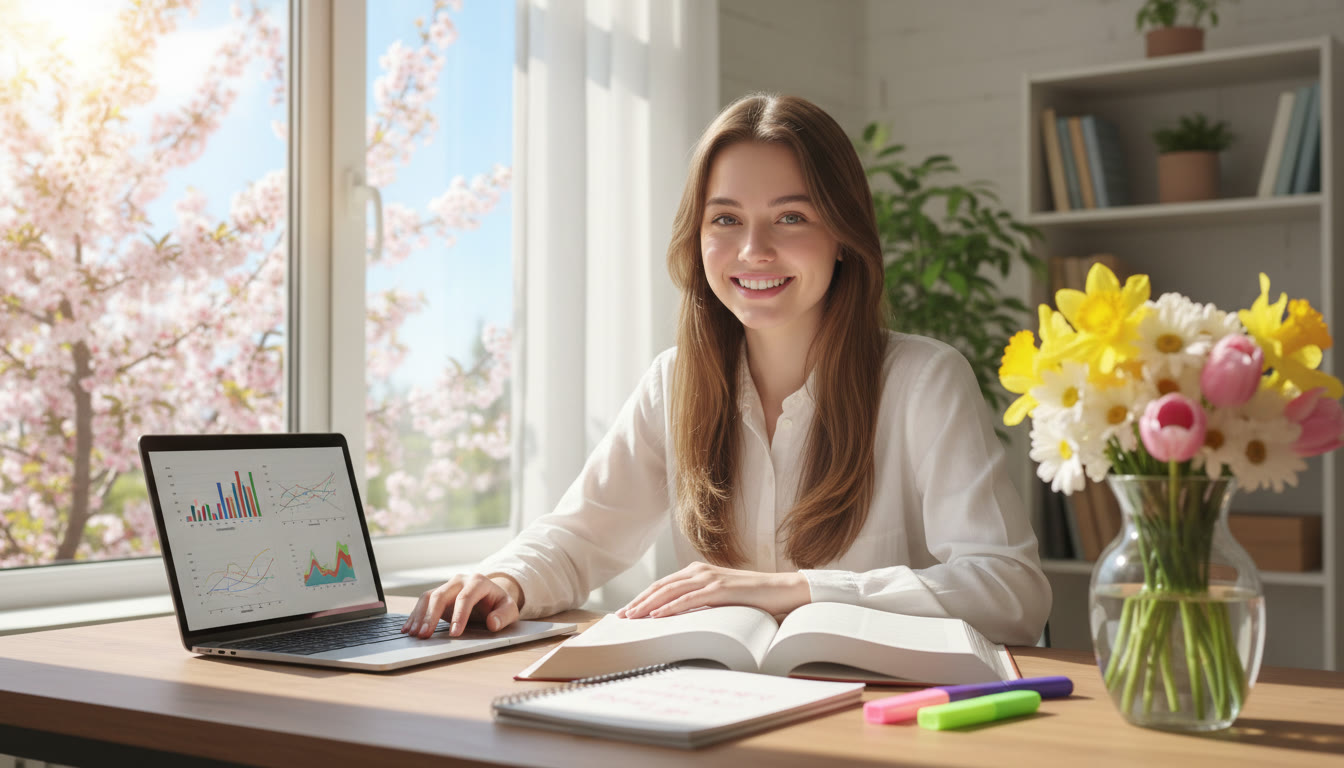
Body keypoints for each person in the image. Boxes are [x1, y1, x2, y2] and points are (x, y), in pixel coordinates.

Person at [399, 93, 1051, 646]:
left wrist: (787, 591)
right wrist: (506, 579)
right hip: (717, 709)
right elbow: (581, 536)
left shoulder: (923, 380)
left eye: (791, 217)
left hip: (882, 719)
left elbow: (1011, 592)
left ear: (844, 236)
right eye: (726, 219)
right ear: (697, 237)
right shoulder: (675, 382)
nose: (753, 250)